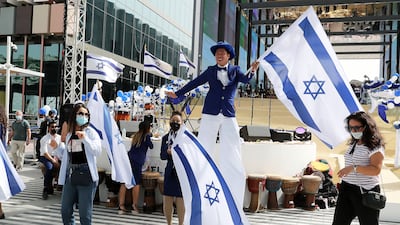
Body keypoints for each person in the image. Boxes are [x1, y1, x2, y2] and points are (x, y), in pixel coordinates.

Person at [166, 41, 259, 209]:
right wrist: (178, 94)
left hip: (228, 113)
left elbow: (246, 80)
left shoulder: (236, 70)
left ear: (229, 56)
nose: (219, 56)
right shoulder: (210, 71)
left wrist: (252, 69)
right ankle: (199, 179)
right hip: (210, 112)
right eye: (217, 54)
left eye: (222, 53)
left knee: (232, 149)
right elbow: (194, 83)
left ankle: (234, 192)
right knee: (204, 145)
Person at [332, 111, 385, 225]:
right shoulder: (355, 143)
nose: (354, 131)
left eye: (357, 128)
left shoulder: (375, 147)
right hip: (347, 188)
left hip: (365, 190)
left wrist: (353, 168)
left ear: (367, 127)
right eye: (351, 128)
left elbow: (376, 170)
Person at [56, 103, 102, 225]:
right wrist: (57, 148)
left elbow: (97, 150)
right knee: (65, 211)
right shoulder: (70, 134)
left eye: (86, 114)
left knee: (84, 215)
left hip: (86, 174)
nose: (84, 116)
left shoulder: (90, 132)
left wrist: (85, 139)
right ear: (74, 115)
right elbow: (66, 156)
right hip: (71, 175)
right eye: (81, 113)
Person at [119, 121, 153, 214]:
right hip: (137, 162)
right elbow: (151, 146)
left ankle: (121, 206)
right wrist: (150, 135)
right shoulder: (147, 136)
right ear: (147, 128)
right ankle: (134, 206)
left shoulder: (136, 136)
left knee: (124, 182)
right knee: (136, 183)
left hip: (128, 159)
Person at [160, 111, 185, 225]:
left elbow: (187, 155)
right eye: (173, 121)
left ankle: (181, 223)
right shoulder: (165, 137)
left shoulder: (185, 138)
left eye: (177, 121)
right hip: (170, 171)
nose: (175, 123)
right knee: (167, 199)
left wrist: (175, 153)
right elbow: (162, 156)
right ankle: (168, 223)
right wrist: (168, 152)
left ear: (182, 123)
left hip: (181, 171)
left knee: (180, 199)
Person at [39, 120, 61, 200]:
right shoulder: (45, 139)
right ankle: (46, 188)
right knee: (49, 167)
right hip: (46, 157)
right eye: (52, 127)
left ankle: (59, 185)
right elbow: (45, 153)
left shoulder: (60, 138)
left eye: (55, 127)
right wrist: (53, 160)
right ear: (48, 128)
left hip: (57, 156)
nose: (54, 128)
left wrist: (57, 159)